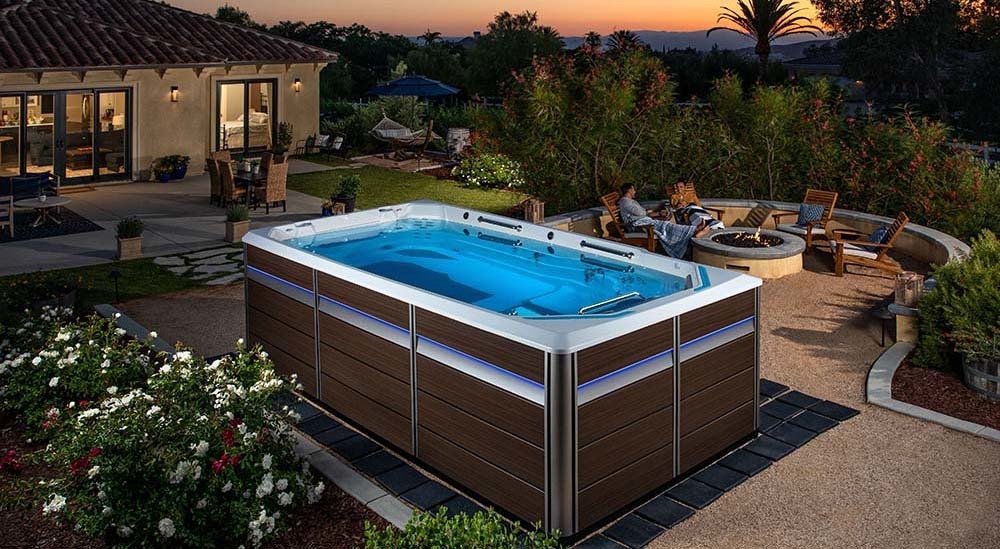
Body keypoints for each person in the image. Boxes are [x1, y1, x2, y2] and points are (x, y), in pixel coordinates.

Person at [618, 183, 710, 258]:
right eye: (633, 189)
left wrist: (657, 213)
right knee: (667, 226)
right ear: (629, 190)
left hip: (645, 222)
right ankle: (694, 231)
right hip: (639, 226)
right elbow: (641, 213)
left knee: (666, 225)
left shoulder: (630, 201)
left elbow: (643, 213)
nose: (635, 191)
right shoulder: (625, 201)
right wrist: (652, 213)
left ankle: (694, 230)